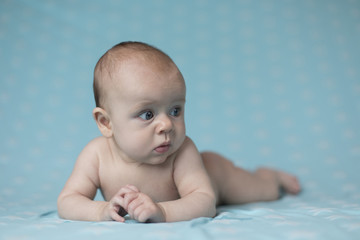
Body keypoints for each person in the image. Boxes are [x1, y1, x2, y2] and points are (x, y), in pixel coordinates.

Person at [57, 41, 301, 223]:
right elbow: (67, 201)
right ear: (106, 123)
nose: (167, 125)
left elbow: (205, 202)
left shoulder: (182, 152)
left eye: (175, 110)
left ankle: (271, 176)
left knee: (263, 191)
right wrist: (100, 210)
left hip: (218, 176)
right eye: (147, 114)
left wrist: (163, 211)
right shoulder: (96, 156)